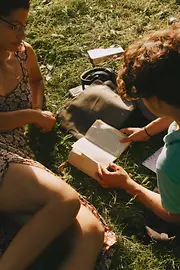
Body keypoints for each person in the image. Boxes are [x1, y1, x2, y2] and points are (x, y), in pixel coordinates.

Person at [0, 1, 117, 269]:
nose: (22, 35)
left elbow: (37, 80)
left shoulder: (22, 53)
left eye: (24, 26)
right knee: (64, 199)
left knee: (91, 232)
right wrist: (31, 116)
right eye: (14, 27)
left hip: (17, 151)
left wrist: (37, 107)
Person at [97, 23, 180, 223]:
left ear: (157, 101)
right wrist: (147, 131)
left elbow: (174, 216)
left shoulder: (170, 164)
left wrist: (128, 184)